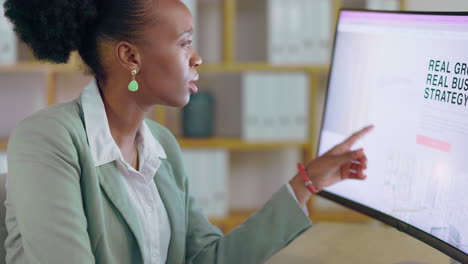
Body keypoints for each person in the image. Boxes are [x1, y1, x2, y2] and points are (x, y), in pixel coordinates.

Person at [2, 0, 373, 263]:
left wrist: (305, 184)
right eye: (184, 44)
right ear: (131, 57)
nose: (197, 58)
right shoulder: (48, 140)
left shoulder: (161, 147)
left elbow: (207, 258)